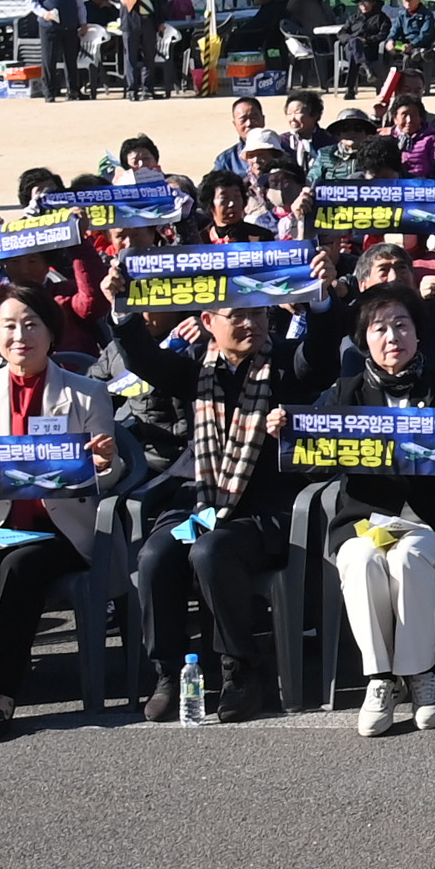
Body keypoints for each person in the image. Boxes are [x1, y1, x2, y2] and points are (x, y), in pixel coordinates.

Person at [0, 290, 124, 743]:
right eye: (9, 326)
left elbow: (110, 475)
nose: (21, 336)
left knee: (21, 567)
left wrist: (104, 464)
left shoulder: (87, 392)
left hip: (58, 530)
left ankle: (1, 694)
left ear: (51, 331)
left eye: (32, 323)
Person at [311, 284, 435, 725]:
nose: (393, 337)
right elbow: (314, 466)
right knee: (360, 558)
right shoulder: (345, 393)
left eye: (402, 325)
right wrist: (288, 435)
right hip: (365, 524)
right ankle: (381, 679)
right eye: (380, 328)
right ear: (364, 340)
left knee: (408, 555)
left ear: (418, 333)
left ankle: (422, 674)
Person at [134, 303, 299, 722]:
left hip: (261, 508)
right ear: (209, 323)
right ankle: (169, 672)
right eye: (238, 316)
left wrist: (321, 299)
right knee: (156, 555)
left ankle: (241, 670)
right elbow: (143, 359)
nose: (252, 324)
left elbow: (318, 358)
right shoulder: (195, 365)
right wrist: (121, 312)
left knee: (210, 552)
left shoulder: (283, 362)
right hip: (202, 500)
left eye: (259, 313)